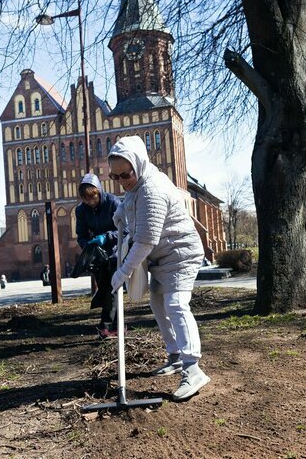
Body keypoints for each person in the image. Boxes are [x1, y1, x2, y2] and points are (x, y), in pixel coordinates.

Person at [107, 136, 210, 402]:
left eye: (125, 174)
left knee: (176, 304)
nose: (122, 181)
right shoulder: (136, 182)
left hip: (179, 254)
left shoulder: (152, 189)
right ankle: (175, 355)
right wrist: (121, 210)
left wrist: (123, 272)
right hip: (161, 255)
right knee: (157, 302)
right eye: (114, 176)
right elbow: (131, 199)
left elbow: (144, 242)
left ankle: (193, 368)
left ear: (138, 165)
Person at [75, 173, 122, 338]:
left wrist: (106, 237)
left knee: (112, 289)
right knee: (104, 289)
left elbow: (126, 229)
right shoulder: (81, 210)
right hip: (97, 255)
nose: (90, 202)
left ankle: (106, 326)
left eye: (93, 198)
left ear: (99, 192)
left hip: (115, 252)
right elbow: (80, 234)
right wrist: (88, 246)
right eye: (86, 199)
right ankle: (116, 326)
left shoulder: (113, 203)